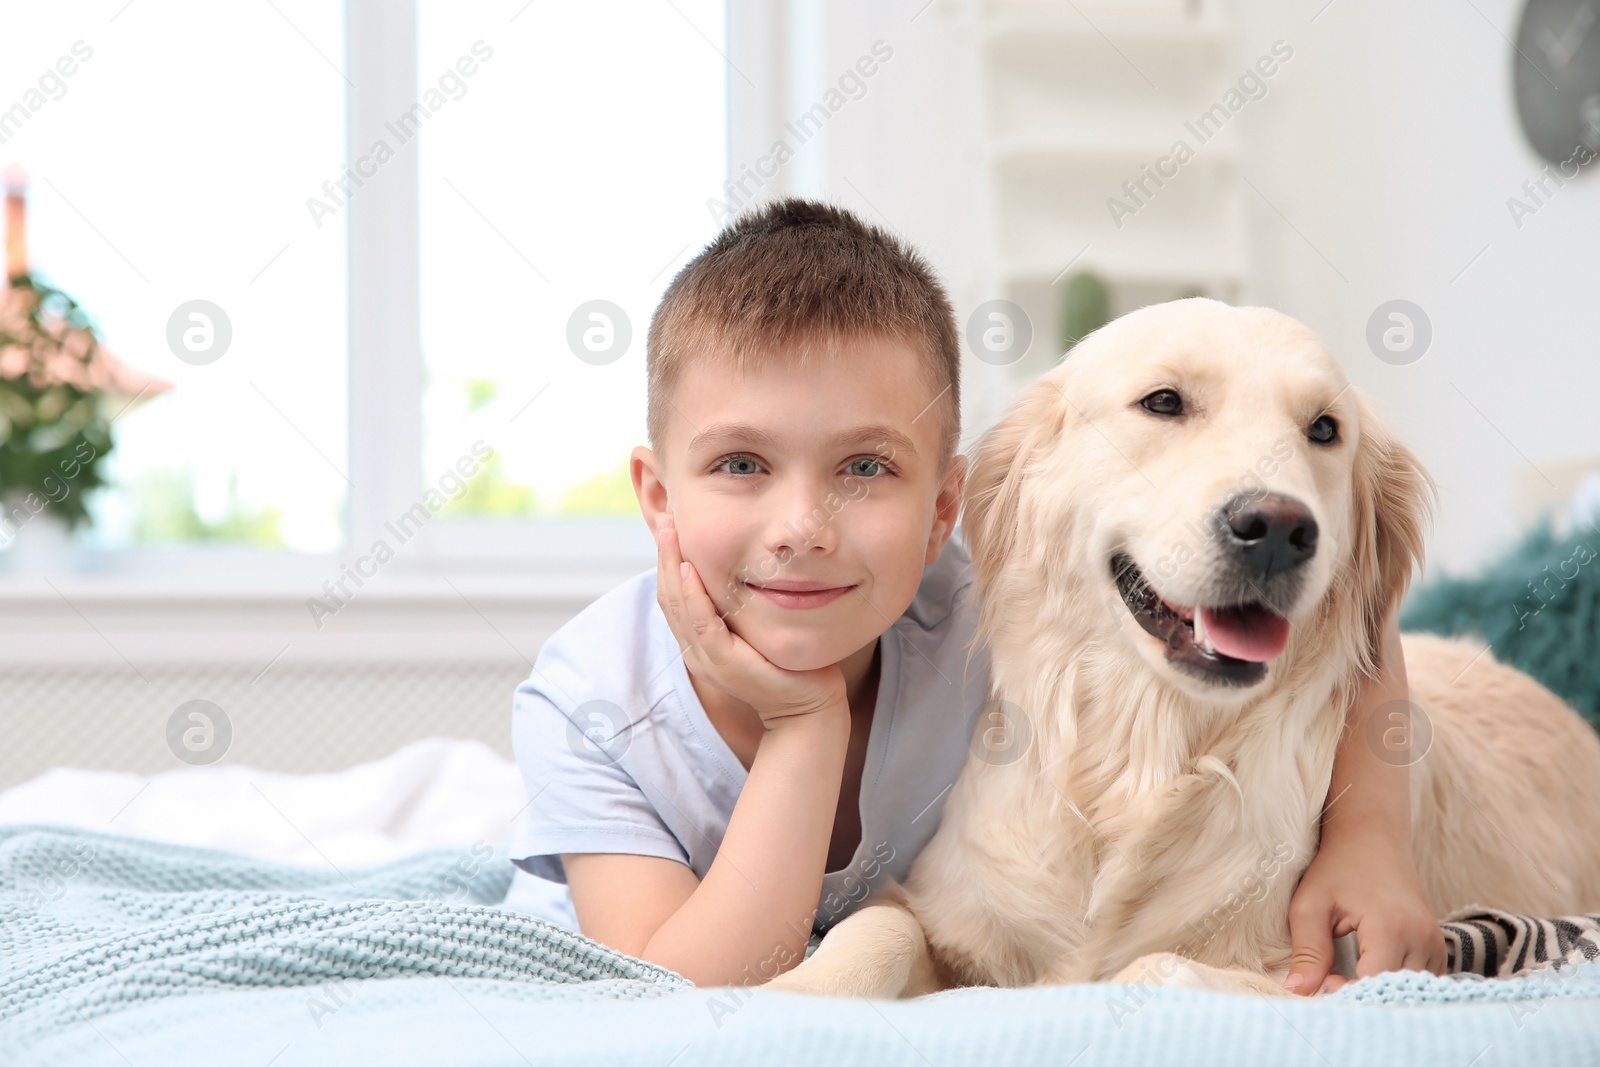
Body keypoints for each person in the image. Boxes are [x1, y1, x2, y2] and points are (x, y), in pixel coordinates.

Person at [506, 197, 1445, 993]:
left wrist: (1370, 835)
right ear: (658, 499)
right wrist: (805, 725)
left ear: (947, 510)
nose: (803, 525)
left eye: (865, 466)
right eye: (741, 462)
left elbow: (1355, 615)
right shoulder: (592, 705)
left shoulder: (972, 597)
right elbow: (693, 999)